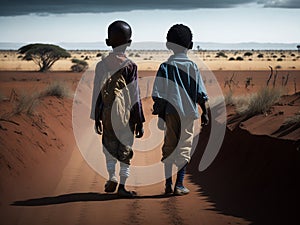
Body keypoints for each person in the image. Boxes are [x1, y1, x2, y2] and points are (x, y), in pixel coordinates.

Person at [152, 24, 209, 196]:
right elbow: (200, 93)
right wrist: (205, 112)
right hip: (189, 114)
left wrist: (161, 116)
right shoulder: (193, 67)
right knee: (184, 147)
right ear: (190, 46)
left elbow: (158, 95)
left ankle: (168, 184)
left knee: (169, 145)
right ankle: (179, 185)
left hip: (170, 113)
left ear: (168, 45)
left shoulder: (165, 67)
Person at [91, 20, 145, 197]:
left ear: (108, 42)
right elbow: (135, 94)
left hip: (107, 113)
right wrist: (139, 120)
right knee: (125, 149)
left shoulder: (101, 65)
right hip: (127, 115)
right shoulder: (130, 66)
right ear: (129, 42)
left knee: (109, 146)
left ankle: (111, 176)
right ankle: (122, 186)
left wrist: (97, 117)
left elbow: (97, 94)